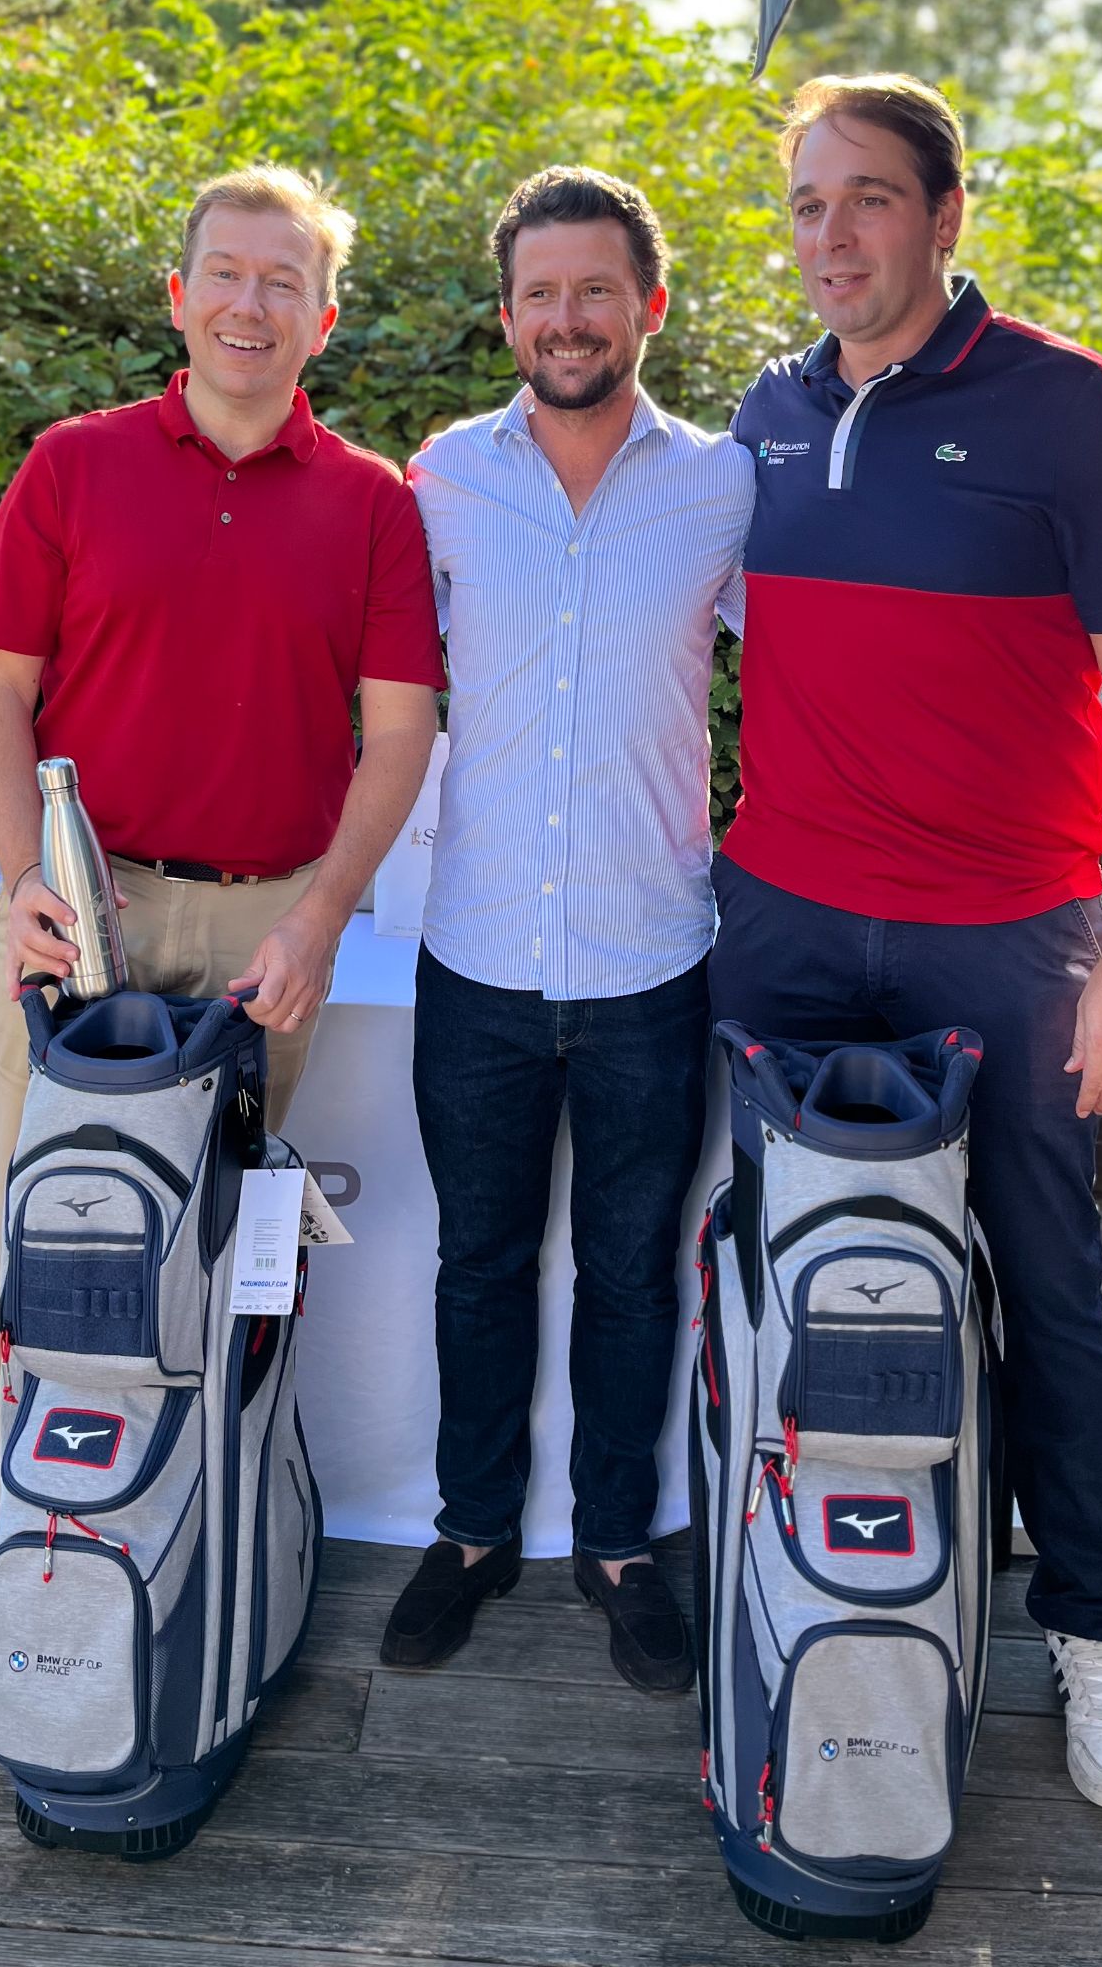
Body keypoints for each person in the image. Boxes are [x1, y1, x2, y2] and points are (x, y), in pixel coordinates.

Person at [709, 73, 1102, 1812]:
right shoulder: (766, 414)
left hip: (1008, 934)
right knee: (780, 1271)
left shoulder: (1064, 404)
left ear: (944, 214)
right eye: (806, 202)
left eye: (868, 197)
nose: (830, 234)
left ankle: (1092, 1629)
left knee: (1043, 1283)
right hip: (780, 925)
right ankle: (781, 1576)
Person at [0, 163, 444, 1711]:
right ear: (178, 295)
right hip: (82, 907)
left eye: (286, 282)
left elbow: (400, 731)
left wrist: (326, 915)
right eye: (227, 273)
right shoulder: (74, 466)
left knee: (224, 1247)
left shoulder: (373, 505)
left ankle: (197, 1519)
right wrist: (24, 874)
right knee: (39, 1236)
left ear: (324, 319)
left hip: (272, 922)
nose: (250, 304)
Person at [381, 166, 754, 1691]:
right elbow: (372, 685)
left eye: (597, 289)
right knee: (477, 1263)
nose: (569, 318)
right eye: (541, 294)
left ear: (648, 306)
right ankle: (472, 1534)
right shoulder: (439, 481)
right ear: (508, 317)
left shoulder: (726, 487)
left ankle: (616, 1547)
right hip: (475, 954)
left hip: (651, 955)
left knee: (630, 1270)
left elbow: (816, 681)